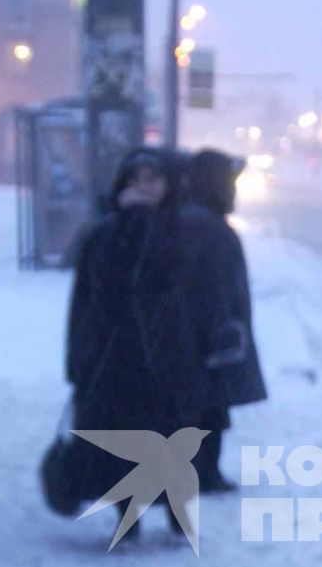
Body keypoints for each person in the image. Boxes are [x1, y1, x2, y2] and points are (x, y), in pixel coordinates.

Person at [63, 147, 206, 538]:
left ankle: (178, 516)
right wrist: (79, 357)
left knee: (174, 437)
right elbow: (92, 294)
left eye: (153, 179)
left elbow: (177, 281)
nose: (145, 188)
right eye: (136, 180)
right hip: (119, 352)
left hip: (170, 352)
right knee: (124, 436)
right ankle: (128, 518)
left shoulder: (180, 227)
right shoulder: (106, 231)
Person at [177, 149, 267, 493]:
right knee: (210, 406)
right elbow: (212, 287)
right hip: (210, 337)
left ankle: (203, 470)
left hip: (202, 334)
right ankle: (204, 473)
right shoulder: (209, 227)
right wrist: (222, 331)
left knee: (209, 406)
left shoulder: (197, 220)